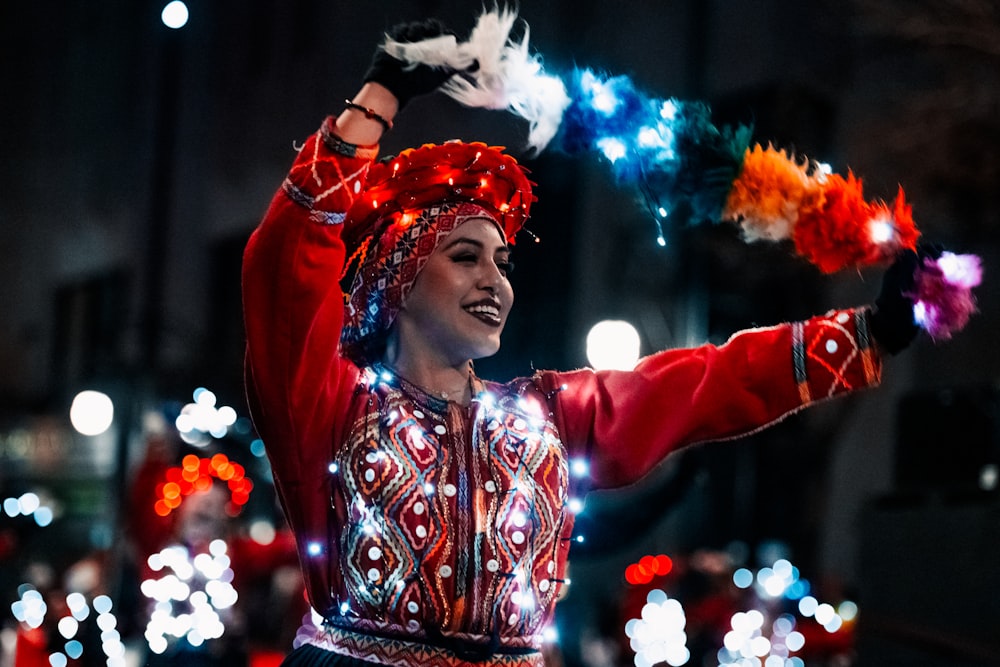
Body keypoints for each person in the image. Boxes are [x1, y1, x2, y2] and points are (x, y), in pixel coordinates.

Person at [241, 18, 926, 667]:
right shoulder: (330, 407)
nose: (495, 281)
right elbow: (288, 266)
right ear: (398, 278)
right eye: (465, 256)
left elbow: (704, 381)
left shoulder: (547, 417)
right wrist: (379, 97)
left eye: (503, 262)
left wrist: (870, 330)